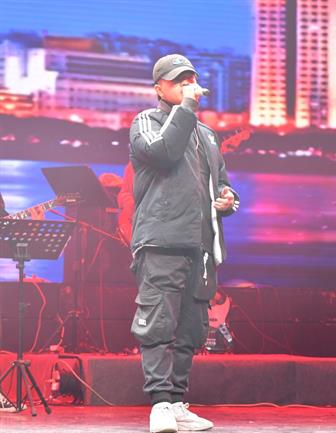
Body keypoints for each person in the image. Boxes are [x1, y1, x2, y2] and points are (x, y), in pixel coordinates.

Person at [129, 54, 239, 433]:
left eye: (191, 79)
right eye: (178, 80)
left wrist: (227, 199)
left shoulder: (207, 135)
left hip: (201, 245)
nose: (187, 85)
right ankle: (159, 403)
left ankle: (177, 402)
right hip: (162, 241)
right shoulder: (147, 121)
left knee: (192, 329)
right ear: (159, 88)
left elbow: (221, 183)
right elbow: (163, 153)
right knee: (158, 323)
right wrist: (187, 109)